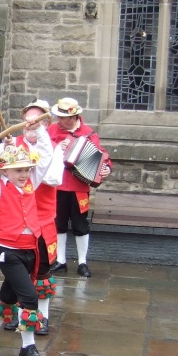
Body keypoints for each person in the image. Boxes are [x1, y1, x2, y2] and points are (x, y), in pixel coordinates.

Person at [0, 123, 54, 356]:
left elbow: (47, 156)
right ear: (5, 171)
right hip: (8, 251)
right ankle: (27, 347)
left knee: (9, 292)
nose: (23, 175)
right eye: (18, 170)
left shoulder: (31, 185)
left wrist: (39, 130)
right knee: (29, 296)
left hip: (31, 250)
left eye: (26, 170)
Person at [0, 100, 64, 334]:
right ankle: (16, 314)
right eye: (27, 121)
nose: (30, 126)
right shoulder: (13, 146)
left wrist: (24, 163)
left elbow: (51, 177)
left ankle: (41, 317)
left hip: (41, 220)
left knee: (42, 272)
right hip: (16, 224)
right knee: (17, 274)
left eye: (36, 122)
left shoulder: (53, 149)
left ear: (44, 125)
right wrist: (9, 151)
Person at [47, 97, 112, 278]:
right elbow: (42, 152)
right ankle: (60, 260)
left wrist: (107, 168)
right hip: (57, 186)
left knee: (80, 225)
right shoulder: (51, 131)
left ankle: (82, 262)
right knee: (58, 223)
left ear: (74, 117)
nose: (58, 120)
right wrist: (57, 148)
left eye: (62, 117)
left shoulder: (89, 134)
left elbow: (102, 157)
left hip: (78, 188)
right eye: (58, 116)